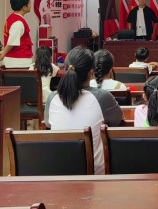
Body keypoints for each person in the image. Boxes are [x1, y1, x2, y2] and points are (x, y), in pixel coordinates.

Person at [45, 47, 123, 175]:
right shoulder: (102, 97)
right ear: (91, 72)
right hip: (94, 173)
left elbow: (48, 124)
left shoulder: (52, 97)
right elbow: (117, 120)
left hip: (59, 171)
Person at [0, 0, 34, 68]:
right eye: (29, 3)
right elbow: (12, 42)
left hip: (16, 61)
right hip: (18, 62)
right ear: (24, 8)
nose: (31, 5)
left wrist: (4, 51)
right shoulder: (18, 23)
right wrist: (4, 53)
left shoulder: (12, 18)